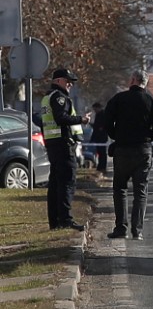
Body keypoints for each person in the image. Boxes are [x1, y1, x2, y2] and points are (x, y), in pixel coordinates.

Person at [105, 69, 153, 240]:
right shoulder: (152, 101)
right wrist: (147, 138)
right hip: (143, 150)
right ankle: (137, 230)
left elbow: (107, 121)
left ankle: (121, 228)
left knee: (120, 189)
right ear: (145, 83)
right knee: (140, 191)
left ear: (132, 80)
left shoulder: (119, 99)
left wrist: (116, 136)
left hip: (122, 150)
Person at [41, 68, 91, 231]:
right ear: (57, 81)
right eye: (67, 80)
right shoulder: (59, 98)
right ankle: (65, 220)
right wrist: (81, 119)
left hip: (53, 144)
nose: (70, 84)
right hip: (62, 145)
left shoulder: (48, 97)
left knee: (55, 183)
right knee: (67, 182)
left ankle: (55, 221)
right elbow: (61, 118)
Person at [90, 101, 108, 174]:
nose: (94, 111)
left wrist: (101, 128)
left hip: (102, 137)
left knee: (102, 153)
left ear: (99, 108)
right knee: (100, 152)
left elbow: (102, 125)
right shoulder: (98, 115)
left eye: (95, 109)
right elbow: (96, 126)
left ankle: (102, 167)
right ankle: (100, 166)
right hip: (98, 136)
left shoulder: (103, 114)